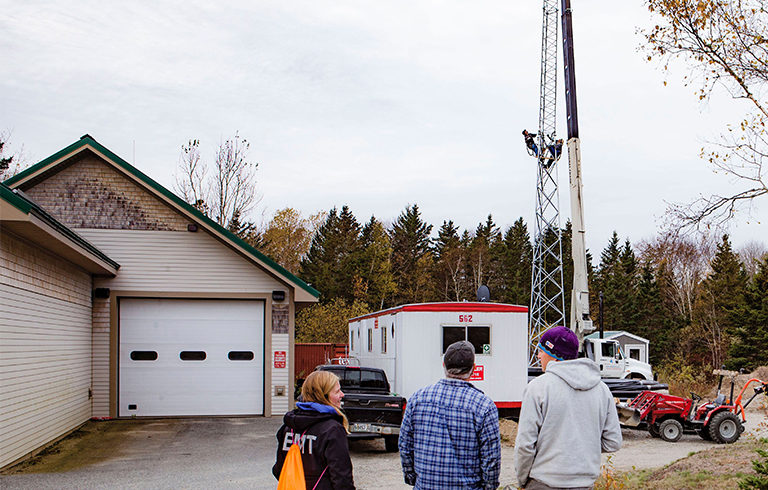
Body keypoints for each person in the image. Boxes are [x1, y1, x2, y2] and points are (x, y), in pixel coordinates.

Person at [514, 326, 622, 489]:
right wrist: (583, 444)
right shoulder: (601, 389)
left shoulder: (538, 387)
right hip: (584, 484)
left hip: (543, 482)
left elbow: (525, 444)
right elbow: (613, 442)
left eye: (541, 350)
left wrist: (523, 480)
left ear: (554, 355)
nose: (538, 355)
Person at [399, 340, 501, 489]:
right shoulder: (484, 406)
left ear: (443, 365)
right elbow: (491, 459)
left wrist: (413, 478)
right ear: (473, 369)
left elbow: (405, 445)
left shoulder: (417, 399)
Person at [273, 370, 355, 489]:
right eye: (337, 391)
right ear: (323, 396)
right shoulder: (332, 430)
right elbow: (342, 478)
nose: (342, 395)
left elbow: (278, 469)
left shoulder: (287, 427)